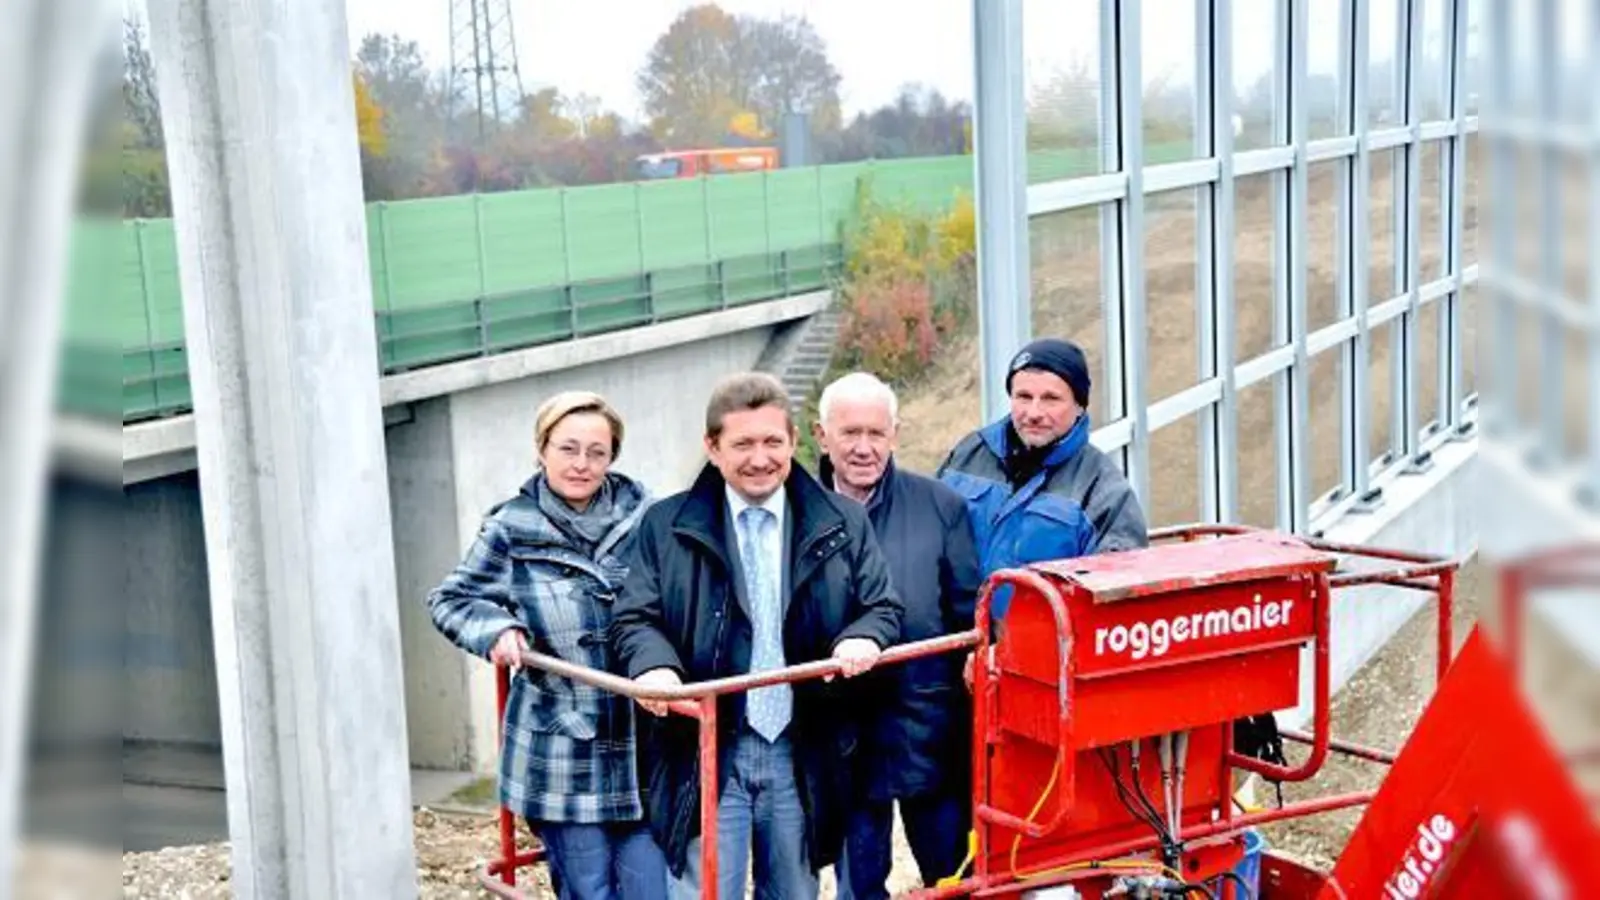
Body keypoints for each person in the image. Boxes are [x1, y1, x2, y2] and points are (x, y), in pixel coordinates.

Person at [610, 371, 904, 900]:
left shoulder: (841, 521)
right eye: (742, 443)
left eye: (773, 441)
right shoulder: (665, 524)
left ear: (794, 441)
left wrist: (863, 636)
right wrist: (654, 666)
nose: (760, 457)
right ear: (712, 447)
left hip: (802, 745)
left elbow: (882, 605)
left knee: (793, 889)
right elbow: (634, 618)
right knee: (706, 891)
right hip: (707, 746)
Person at [426, 391, 667, 900]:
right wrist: (496, 629)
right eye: (568, 448)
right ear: (542, 449)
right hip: (563, 752)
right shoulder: (512, 527)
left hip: (643, 746)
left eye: (596, 452)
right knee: (589, 891)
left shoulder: (647, 516)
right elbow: (452, 599)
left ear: (612, 456)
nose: (581, 464)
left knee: (651, 890)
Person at [810, 372, 982, 899]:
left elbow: (967, 611)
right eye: (849, 433)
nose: (864, 448)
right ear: (821, 436)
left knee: (953, 879)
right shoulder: (796, 514)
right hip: (841, 737)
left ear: (895, 434)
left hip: (926, 728)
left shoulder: (939, 506)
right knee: (858, 885)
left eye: (876, 434)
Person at [937, 337, 1148, 620]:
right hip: (950, 646)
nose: (1034, 413)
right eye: (1023, 397)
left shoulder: (1103, 490)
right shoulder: (967, 455)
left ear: (1079, 406)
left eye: (1051, 399)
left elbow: (1118, 599)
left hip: (1041, 657)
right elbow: (923, 538)